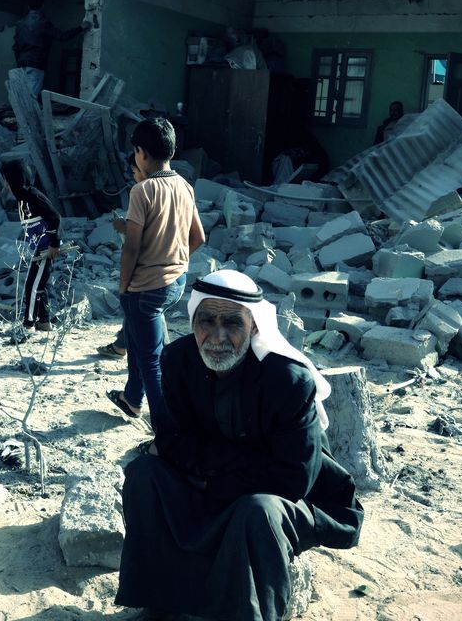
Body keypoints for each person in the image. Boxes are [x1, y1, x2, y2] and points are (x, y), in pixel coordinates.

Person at [115, 270, 364, 621]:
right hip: (227, 481)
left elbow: (292, 479)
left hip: (286, 499)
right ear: (194, 321)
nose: (217, 336)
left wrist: (206, 476)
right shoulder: (177, 361)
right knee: (144, 474)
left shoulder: (288, 380)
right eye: (207, 321)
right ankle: (164, 607)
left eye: (232, 323)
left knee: (256, 510)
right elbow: (170, 441)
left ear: (254, 326)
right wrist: (228, 467)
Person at [104, 118, 204, 433]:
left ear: (141, 153)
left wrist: (123, 287)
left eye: (135, 153)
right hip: (175, 282)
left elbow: (131, 249)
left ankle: (166, 430)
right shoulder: (184, 185)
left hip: (145, 287)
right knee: (138, 340)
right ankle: (132, 399)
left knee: (152, 361)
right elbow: (199, 237)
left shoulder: (142, 190)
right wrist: (174, 260)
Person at [0, 158, 62, 331]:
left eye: (7, 180)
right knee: (39, 285)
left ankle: (28, 324)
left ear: (15, 179)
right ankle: (44, 321)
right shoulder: (22, 199)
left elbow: (55, 217)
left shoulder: (33, 196)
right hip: (39, 248)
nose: (5, 184)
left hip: (46, 248)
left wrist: (54, 244)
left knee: (32, 286)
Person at [98, 153, 146, 359]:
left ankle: (123, 347)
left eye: (134, 172)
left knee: (136, 307)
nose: (134, 177)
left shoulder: (142, 192)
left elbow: (134, 246)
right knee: (142, 313)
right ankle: (121, 344)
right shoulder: (179, 188)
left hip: (147, 271)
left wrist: (124, 283)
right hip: (167, 271)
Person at [13, 0, 90, 99]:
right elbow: (62, 36)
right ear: (42, 6)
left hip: (21, 64)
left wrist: (19, 61)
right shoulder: (43, 23)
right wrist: (80, 28)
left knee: (22, 97)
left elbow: (16, 47)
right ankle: (24, 116)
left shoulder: (20, 24)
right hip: (36, 63)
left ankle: (17, 115)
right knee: (31, 99)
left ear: (28, 6)